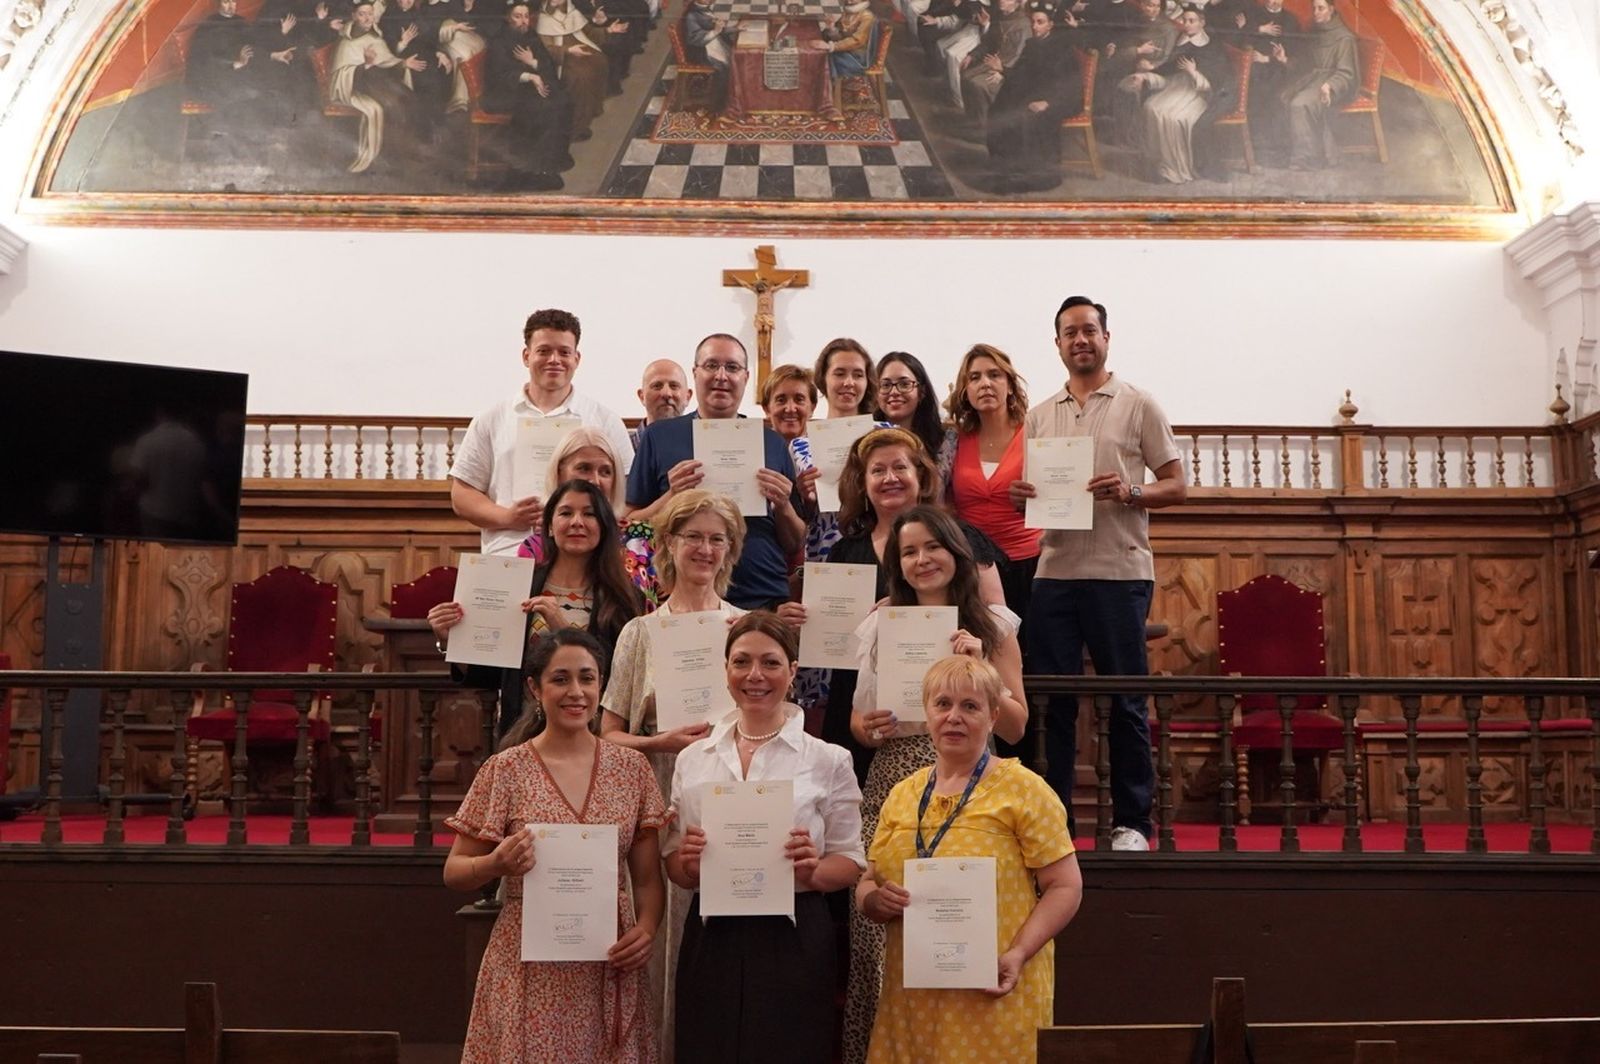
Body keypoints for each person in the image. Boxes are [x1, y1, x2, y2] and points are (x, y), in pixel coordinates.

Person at [822, 506, 1026, 1064]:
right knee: (881, 934)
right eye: (909, 551)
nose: (922, 560)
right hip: (893, 780)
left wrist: (982, 668)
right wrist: (867, 727)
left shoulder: (992, 625)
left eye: (932, 546)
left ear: (955, 551)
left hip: (969, 784)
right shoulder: (881, 621)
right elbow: (857, 723)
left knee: (953, 928)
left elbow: (1015, 726)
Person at [1009, 296, 1185, 851]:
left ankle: (1133, 823)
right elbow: (1036, 495)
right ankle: (1053, 822)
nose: (1080, 340)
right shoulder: (1039, 415)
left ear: (1106, 337)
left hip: (1119, 571)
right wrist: (1022, 498)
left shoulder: (1139, 404)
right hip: (1055, 572)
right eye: (1070, 332)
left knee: (1126, 698)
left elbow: (1177, 484)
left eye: (1089, 330)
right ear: (1057, 344)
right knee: (1053, 704)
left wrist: (1131, 491)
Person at [443, 628, 667, 1063]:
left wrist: (646, 930)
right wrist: (495, 863)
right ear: (535, 688)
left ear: (601, 686)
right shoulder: (506, 769)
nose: (576, 691)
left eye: (587, 678)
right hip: (527, 966)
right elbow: (455, 871)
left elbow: (646, 880)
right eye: (560, 679)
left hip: (608, 960)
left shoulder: (632, 769)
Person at [856, 655, 1082, 1064]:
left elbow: (1065, 886)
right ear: (927, 713)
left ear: (993, 716)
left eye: (970, 706)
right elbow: (868, 881)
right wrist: (874, 900)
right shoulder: (902, 794)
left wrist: (1019, 953)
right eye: (943, 704)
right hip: (912, 999)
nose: (954, 717)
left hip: (995, 988)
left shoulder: (1025, 789)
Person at [664, 612, 866, 1064]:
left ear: (792, 671)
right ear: (725, 669)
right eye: (741, 662)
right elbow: (675, 864)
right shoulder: (693, 758)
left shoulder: (828, 759)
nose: (755, 675)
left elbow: (851, 861)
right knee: (707, 1050)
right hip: (712, 931)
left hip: (793, 931)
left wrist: (814, 870)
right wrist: (688, 864)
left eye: (770, 663)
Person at [599, 489, 747, 1060]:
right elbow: (608, 734)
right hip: (658, 796)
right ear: (668, 544)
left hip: (728, 800)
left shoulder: (744, 627)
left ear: (730, 549)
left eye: (717, 539)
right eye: (693, 537)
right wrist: (658, 742)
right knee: (658, 939)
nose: (705, 549)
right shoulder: (640, 633)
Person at [820, 428, 1005, 778]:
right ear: (863, 483)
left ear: (920, 475)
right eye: (877, 470)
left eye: (900, 467)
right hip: (867, 701)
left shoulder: (963, 537)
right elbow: (834, 634)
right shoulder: (845, 550)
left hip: (956, 698)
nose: (890, 478)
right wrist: (812, 620)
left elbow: (995, 616)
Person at [430, 478, 647, 735]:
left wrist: (562, 630)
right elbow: (492, 673)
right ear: (550, 527)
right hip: (524, 732)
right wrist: (452, 640)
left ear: (603, 527)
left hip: (593, 735)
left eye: (589, 514)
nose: (577, 522)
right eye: (566, 513)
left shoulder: (624, 596)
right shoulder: (519, 584)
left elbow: (624, 679)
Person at [626, 334, 806, 610]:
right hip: (683, 598)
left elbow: (795, 542)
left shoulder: (771, 441)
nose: (721, 376)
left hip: (762, 596)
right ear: (695, 373)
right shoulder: (659, 436)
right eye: (711, 365)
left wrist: (783, 506)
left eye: (732, 367)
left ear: (746, 377)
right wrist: (671, 496)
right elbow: (630, 525)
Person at [451, 308, 634, 557]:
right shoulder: (492, 419)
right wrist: (508, 517)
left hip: (584, 559)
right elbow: (462, 494)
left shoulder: (605, 420)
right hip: (508, 554)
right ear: (526, 356)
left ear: (577, 358)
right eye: (544, 351)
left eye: (564, 352)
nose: (554, 360)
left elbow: (625, 493)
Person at [944, 343, 1040, 647]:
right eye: (975, 377)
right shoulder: (954, 440)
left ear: (1010, 385)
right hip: (974, 567)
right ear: (965, 391)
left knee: (1031, 654)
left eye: (994, 375)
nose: (985, 383)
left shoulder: (1035, 434)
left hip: (1029, 563)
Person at [515, 427, 662, 608]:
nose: (595, 480)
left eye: (605, 472)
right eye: (584, 468)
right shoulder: (535, 547)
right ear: (559, 473)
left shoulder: (642, 537)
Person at [1127, 3, 1234, 183]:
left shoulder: (1211, 45)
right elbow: (1169, 67)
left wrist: (1193, 72)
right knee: (1151, 107)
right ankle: (1159, 163)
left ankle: (1176, 168)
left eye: (1192, 21)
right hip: (1178, 86)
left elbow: (1217, 79)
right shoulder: (1181, 40)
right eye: (1184, 20)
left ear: (1202, 23)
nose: (1187, 24)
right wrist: (1147, 74)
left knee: (1175, 118)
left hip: (1199, 92)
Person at [985, 0, 1082, 192]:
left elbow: (1069, 86)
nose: (1035, 27)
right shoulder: (1032, 44)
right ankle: (1005, 172)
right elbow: (1023, 76)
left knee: (1024, 117)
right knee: (999, 111)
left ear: (1050, 25)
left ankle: (1033, 178)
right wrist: (1002, 69)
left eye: (1040, 22)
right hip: (1034, 94)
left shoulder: (1061, 49)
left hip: (1058, 101)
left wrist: (1048, 102)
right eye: (1033, 22)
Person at [328, 1, 430, 173]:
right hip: (360, 85)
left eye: (370, 14)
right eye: (362, 14)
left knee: (409, 97)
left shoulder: (375, 37)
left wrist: (403, 63)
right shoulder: (348, 41)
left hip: (379, 81)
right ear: (354, 16)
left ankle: (407, 150)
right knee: (391, 106)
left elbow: (387, 62)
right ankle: (390, 157)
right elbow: (345, 74)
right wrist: (367, 63)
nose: (367, 18)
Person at [482, 2, 575, 191]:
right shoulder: (499, 40)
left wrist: (532, 62)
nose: (523, 21)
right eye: (518, 16)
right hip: (504, 93)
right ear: (508, 18)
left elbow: (547, 63)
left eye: (526, 16)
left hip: (526, 89)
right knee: (543, 108)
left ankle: (554, 159)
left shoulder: (531, 35)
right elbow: (498, 75)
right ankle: (536, 171)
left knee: (562, 101)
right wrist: (530, 76)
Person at [1279, 0, 1357, 171]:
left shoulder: (1344, 38)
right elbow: (1305, 62)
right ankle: (1313, 152)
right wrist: (1284, 59)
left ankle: (1307, 159)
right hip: (1315, 79)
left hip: (1334, 84)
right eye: (1314, 8)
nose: (1315, 13)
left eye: (1321, 8)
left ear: (1331, 9)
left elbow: (1347, 73)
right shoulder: (1315, 32)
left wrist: (1329, 86)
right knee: (1285, 96)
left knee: (1300, 104)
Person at [1101, 0, 1177, 144]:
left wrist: (1152, 66)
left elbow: (1168, 56)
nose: (1153, 9)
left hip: (1157, 70)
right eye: (1150, 5)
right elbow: (1126, 42)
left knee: (1130, 89)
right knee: (1114, 80)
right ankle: (1123, 136)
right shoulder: (1138, 21)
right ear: (1142, 5)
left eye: (1157, 6)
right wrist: (1115, 47)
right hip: (1134, 65)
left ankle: (1134, 138)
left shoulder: (1168, 28)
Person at [1232, 0, 1300, 160]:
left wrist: (1268, 59)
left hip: (1281, 70)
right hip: (1255, 70)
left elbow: (1294, 53)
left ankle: (1279, 149)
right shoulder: (1254, 14)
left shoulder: (1290, 20)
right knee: (1254, 92)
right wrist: (1259, 29)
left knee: (1274, 95)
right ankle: (1257, 147)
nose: (1274, 1)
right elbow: (1240, 41)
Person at [872, 352, 952, 486]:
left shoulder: (945, 442)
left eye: (904, 384)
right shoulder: (865, 440)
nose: (894, 392)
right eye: (885, 385)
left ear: (922, 392)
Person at [536, 0, 611, 141]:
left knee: (600, 61)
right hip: (560, 59)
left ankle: (592, 109)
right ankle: (577, 127)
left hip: (578, 48)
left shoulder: (572, 11)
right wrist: (568, 50)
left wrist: (608, 30)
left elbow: (589, 32)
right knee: (580, 77)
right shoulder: (544, 19)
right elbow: (546, 49)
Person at [960, 0, 1032, 128]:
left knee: (978, 85)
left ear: (1017, 2)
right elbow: (989, 42)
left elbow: (1020, 55)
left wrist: (1003, 72)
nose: (1001, 0)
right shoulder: (999, 17)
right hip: (994, 62)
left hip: (1009, 69)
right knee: (965, 76)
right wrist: (972, 55)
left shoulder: (1024, 24)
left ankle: (984, 128)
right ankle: (972, 122)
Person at [813, 338, 878, 421]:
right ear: (822, 378)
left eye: (858, 375)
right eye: (840, 374)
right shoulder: (807, 429)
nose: (849, 383)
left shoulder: (885, 429)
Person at [633, 359, 693, 449]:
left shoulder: (702, 448)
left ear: (688, 397)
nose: (666, 393)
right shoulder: (621, 449)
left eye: (674, 386)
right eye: (657, 386)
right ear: (642, 396)